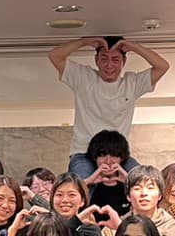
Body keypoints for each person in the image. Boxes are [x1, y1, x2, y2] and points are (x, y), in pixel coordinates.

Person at [48, 35, 166, 177]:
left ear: (123, 62)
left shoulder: (132, 83)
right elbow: (54, 55)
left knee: (141, 180)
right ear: (96, 60)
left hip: (119, 154)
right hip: (84, 152)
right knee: (78, 183)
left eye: (115, 60)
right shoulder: (83, 78)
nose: (109, 66)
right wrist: (85, 42)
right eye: (104, 59)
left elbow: (162, 66)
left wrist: (134, 47)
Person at [123, 164, 175, 236]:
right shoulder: (113, 228)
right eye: (137, 188)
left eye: (150, 188)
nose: (144, 193)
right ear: (128, 196)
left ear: (160, 195)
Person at [47, 172, 106, 236]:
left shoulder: (91, 231)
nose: (65, 200)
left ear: (82, 201)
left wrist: (77, 220)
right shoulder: (44, 227)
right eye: (59, 195)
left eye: (71, 195)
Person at [80, 130, 133, 218]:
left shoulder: (128, 185)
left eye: (114, 155)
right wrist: (88, 181)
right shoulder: (90, 186)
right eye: (102, 155)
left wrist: (130, 181)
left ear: (122, 158)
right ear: (94, 158)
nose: (108, 161)